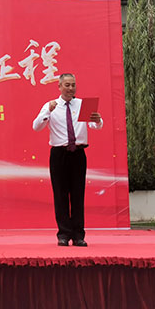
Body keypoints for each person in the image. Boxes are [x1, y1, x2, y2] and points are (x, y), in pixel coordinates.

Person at [32, 73, 103, 247]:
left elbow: (96, 125)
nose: (71, 88)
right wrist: (48, 111)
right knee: (60, 194)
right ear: (59, 86)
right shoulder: (51, 106)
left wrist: (98, 120)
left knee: (78, 195)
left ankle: (78, 235)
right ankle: (63, 234)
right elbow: (36, 127)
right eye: (67, 85)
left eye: (73, 85)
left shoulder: (82, 104)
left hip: (78, 154)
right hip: (59, 154)